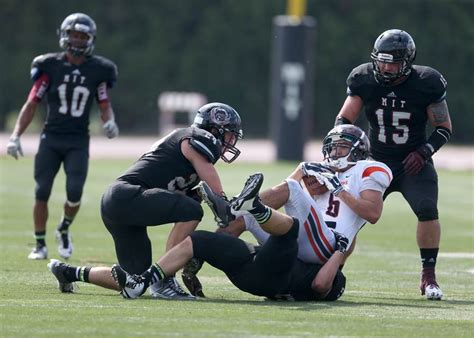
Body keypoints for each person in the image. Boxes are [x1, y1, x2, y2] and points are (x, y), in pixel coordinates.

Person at [46, 102, 244, 298]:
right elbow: (214, 193)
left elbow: (184, 192)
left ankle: (68, 272)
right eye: (229, 134)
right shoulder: (197, 138)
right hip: (127, 194)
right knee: (192, 211)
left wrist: (205, 198)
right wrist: (225, 203)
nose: (232, 140)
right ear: (213, 129)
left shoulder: (188, 145)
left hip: (116, 201)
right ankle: (165, 279)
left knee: (135, 280)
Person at [47, 173, 348, 302]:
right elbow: (320, 280)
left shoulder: (325, 282)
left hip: (266, 272)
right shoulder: (314, 275)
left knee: (291, 229)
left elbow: (323, 283)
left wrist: (339, 253)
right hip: (255, 275)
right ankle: (128, 279)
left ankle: (250, 207)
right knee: (198, 240)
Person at [194, 124, 391, 292]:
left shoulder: (368, 168)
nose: (334, 152)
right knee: (244, 219)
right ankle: (199, 256)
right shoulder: (326, 171)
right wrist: (301, 170)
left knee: (291, 188)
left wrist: (338, 189)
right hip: (306, 237)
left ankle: (231, 207)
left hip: (328, 244)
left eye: (342, 147)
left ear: (358, 150)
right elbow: (294, 197)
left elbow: (373, 213)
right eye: (332, 147)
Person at [334, 29, 452, 300]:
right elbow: (343, 121)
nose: (385, 67)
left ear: (408, 62)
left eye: (392, 62)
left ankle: (429, 277)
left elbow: (444, 128)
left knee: (427, 209)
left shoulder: (427, 82)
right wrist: (349, 152)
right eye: (382, 60)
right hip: (375, 161)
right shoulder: (364, 78)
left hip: (413, 162)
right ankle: (334, 269)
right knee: (349, 218)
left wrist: (424, 152)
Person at [6, 13, 119, 260]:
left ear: (90, 40)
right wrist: (15, 135)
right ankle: (39, 244)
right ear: (65, 36)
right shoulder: (49, 66)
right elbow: (31, 103)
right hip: (51, 138)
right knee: (42, 190)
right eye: (74, 35)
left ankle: (64, 228)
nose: (78, 41)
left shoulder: (99, 70)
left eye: (83, 37)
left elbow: (103, 101)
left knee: (75, 192)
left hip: (78, 140)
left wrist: (109, 121)